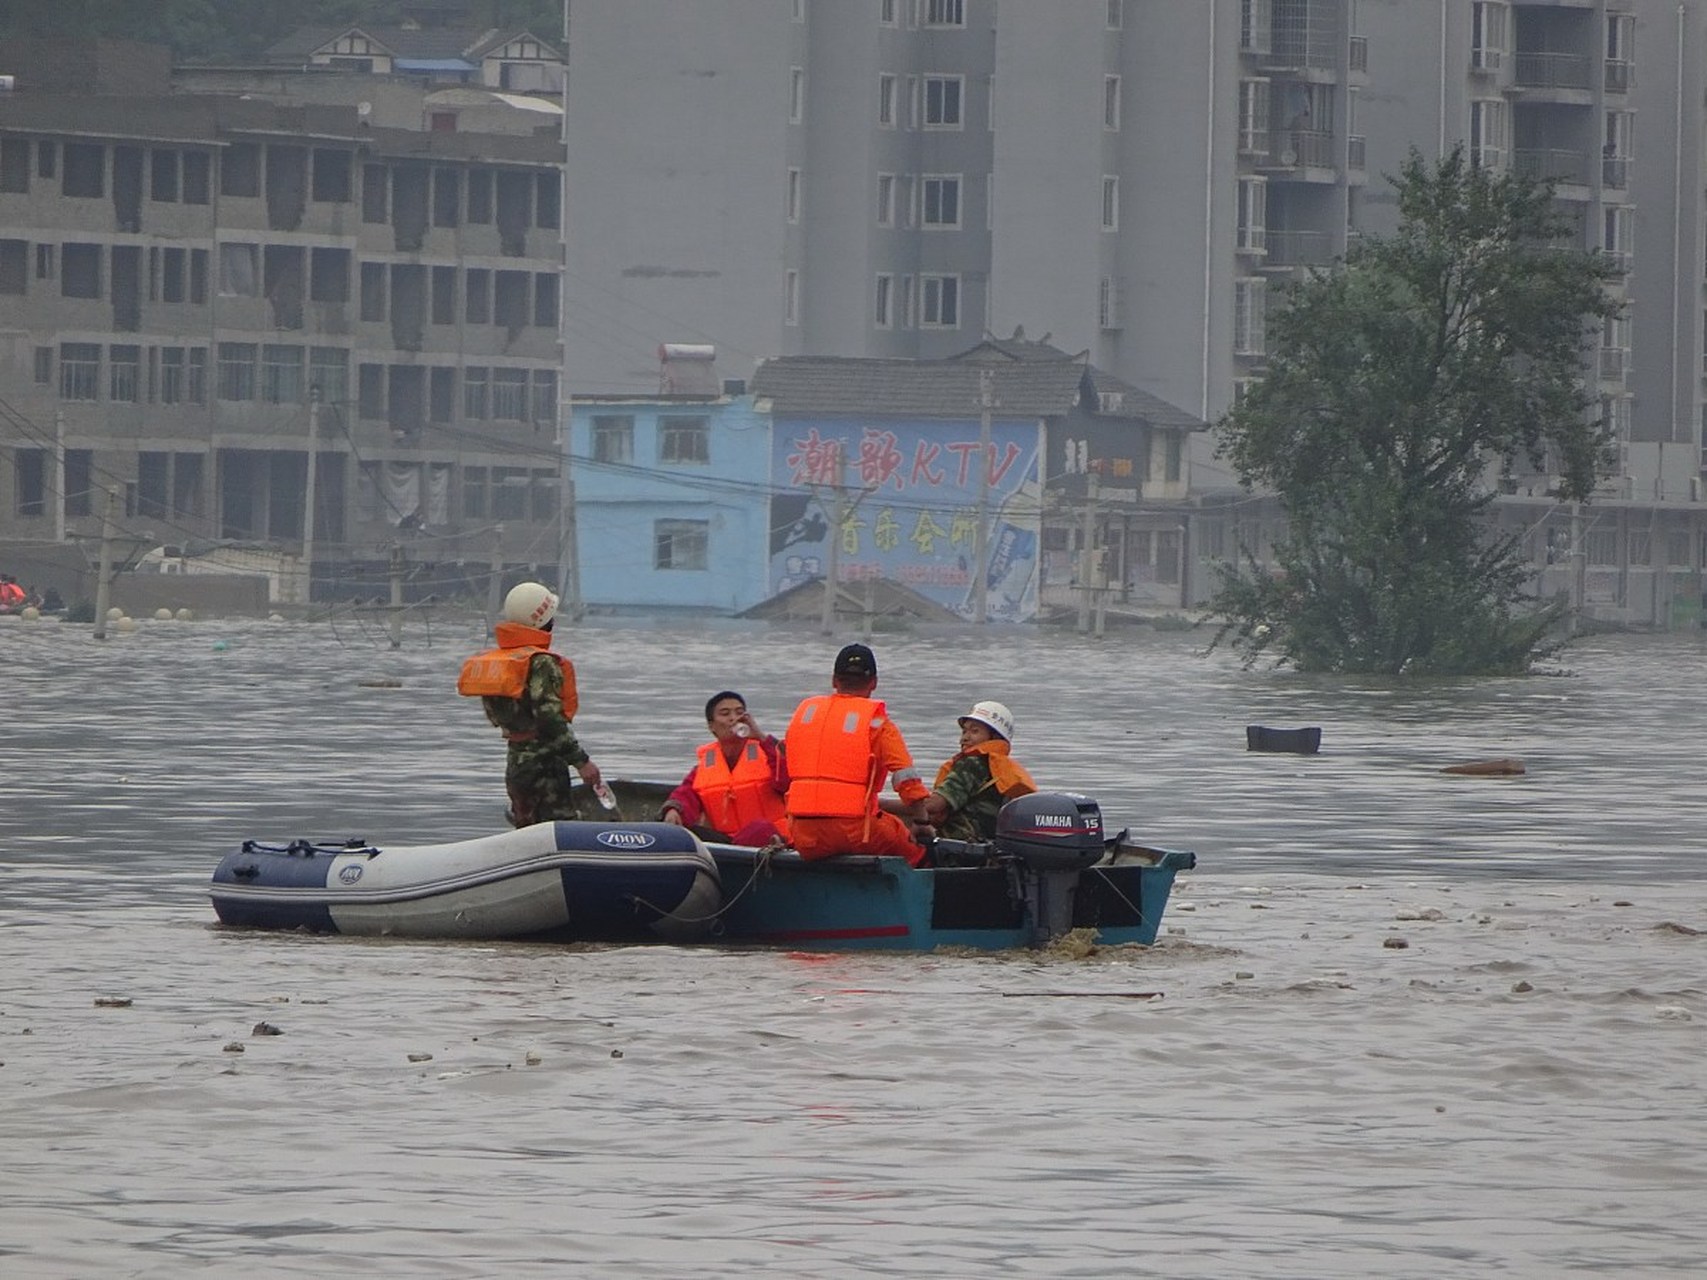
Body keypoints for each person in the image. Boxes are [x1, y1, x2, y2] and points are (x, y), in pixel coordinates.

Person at [457, 581, 604, 826]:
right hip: (545, 768)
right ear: (544, 621)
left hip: (516, 764)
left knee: (526, 827)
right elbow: (549, 719)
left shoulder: (507, 663)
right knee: (559, 828)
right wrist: (582, 761)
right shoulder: (541, 663)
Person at [782, 643, 930, 866]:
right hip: (857, 832)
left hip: (803, 833)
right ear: (874, 683)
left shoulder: (805, 715)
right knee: (917, 851)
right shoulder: (878, 722)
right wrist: (921, 821)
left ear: (834, 680)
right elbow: (906, 779)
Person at [659, 691, 789, 846]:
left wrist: (761, 736)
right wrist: (674, 810)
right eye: (725, 713)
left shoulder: (768, 752)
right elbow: (686, 793)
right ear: (712, 726)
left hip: (773, 840)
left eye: (740, 713)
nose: (733, 718)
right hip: (727, 843)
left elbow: (787, 780)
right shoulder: (705, 766)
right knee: (678, 833)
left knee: (760, 829)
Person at [921, 700, 1038, 842]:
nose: (964, 738)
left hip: (960, 842)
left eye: (974, 731)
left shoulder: (973, 764)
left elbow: (933, 806)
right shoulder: (998, 769)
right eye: (964, 731)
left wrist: (886, 806)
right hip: (989, 845)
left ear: (995, 737)